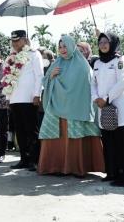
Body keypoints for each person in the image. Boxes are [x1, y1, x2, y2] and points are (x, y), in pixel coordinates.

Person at [38, 35, 105, 177]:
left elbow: (85, 85)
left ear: (71, 46)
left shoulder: (82, 64)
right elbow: (44, 82)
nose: (62, 50)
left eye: (65, 46)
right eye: (60, 47)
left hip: (76, 107)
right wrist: (51, 77)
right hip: (56, 107)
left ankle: (76, 167)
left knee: (75, 136)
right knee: (56, 136)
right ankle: (55, 166)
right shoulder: (56, 63)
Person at [91, 33, 124, 186]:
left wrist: (107, 98)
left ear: (113, 43)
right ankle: (111, 172)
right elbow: (93, 83)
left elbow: (122, 82)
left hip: (119, 106)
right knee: (108, 140)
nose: (103, 45)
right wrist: (96, 98)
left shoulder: (120, 60)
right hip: (103, 107)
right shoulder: (97, 63)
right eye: (100, 42)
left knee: (121, 142)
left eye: (106, 42)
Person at [2, 30, 43, 171]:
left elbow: (39, 75)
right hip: (14, 99)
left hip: (29, 98)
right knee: (20, 131)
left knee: (31, 130)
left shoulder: (33, 54)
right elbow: (7, 79)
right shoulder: (10, 58)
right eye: (12, 41)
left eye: (17, 40)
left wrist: (37, 94)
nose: (14, 43)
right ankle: (24, 159)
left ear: (25, 40)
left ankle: (35, 160)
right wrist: (8, 98)